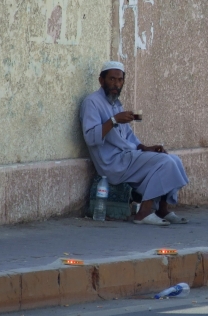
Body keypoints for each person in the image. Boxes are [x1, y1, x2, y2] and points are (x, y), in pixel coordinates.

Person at [80, 61, 190, 226]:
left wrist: (144, 147)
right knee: (164, 163)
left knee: (172, 159)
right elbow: (90, 137)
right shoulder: (92, 102)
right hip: (112, 162)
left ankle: (162, 209)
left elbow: (127, 136)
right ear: (101, 80)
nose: (116, 84)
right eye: (112, 79)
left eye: (119, 80)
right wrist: (114, 120)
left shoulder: (116, 104)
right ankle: (143, 213)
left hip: (128, 156)